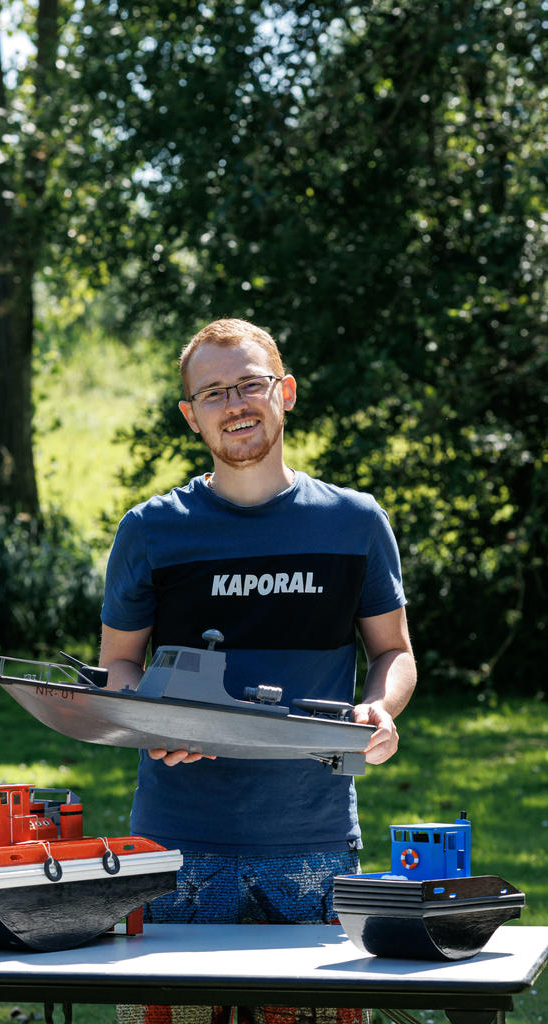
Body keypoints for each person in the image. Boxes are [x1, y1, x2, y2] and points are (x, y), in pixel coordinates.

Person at [100, 318, 417, 1024]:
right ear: (190, 416)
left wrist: (380, 708)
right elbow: (118, 664)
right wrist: (148, 721)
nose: (234, 403)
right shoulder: (150, 529)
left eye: (249, 383)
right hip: (174, 841)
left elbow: (392, 651)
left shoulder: (354, 521)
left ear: (286, 392)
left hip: (312, 841)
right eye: (213, 392)